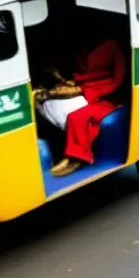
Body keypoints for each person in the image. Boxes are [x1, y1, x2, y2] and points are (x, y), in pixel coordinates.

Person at [35, 35, 127, 178]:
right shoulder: (84, 47)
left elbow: (115, 80)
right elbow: (80, 72)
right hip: (85, 88)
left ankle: (77, 157)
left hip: (104, 95)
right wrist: (70, 83)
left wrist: (83, 90)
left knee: (76, 116)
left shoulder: (112, 47)